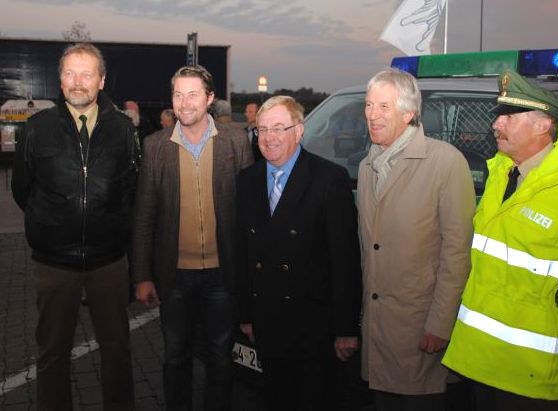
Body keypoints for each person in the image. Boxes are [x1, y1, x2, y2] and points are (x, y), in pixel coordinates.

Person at [442, 69, 558, 409]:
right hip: (478, 358)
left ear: (543, 125)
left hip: (527, 369)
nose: (495, 125)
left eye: (509, 117)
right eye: (499, 117)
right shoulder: (500, 173)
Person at [11, 42, 138, 411]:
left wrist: (112, 226)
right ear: (60, 79)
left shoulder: (122, 129)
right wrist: (50, 222)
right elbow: (23, 190)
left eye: (86, 74)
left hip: (108, 263)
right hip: (54, 264)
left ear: (101, 80)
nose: (77, 82)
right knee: (52, 352)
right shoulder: (36, 128)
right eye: (70, 73)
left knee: (116, 349)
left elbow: (130, 188)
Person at [131, 65, 253, 411]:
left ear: (210, 98)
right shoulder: (155, 146)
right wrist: (142, 276)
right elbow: (143, 217)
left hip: (222, 275)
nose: (185, 103)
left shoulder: (235, 142)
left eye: (193, 94)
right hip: (175, 277)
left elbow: (247, 215)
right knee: (175, 357)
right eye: (178, 95)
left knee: (220, 358)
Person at [357, 68, 475, 411]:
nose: (372, 115)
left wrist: (441, 323)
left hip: (420, 328)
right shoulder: (368, 165)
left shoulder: (445, 162)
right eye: (368, 105)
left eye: (383, 106)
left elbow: (457, 254)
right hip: (378, 328)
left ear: (409, 114)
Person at [237, 95, 362, 411]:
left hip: (313, 327)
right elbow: (242, 253)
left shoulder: (328, 179)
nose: (269, 138)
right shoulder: (247, 180)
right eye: (263, 129)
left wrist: (346, 329)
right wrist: (245, 316)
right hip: (266, 323)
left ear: (300, 131)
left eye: (279, 128)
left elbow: (345, 261)